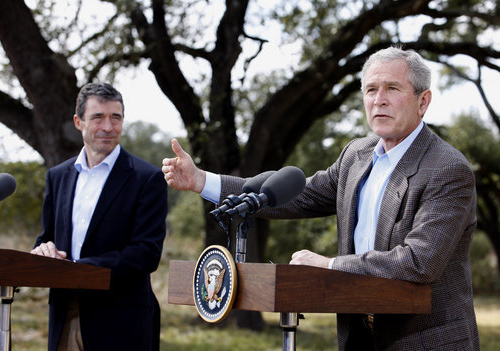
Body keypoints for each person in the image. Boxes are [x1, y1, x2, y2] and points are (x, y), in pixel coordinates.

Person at [162, 47, 480, 350]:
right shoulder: (356, 155)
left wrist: (329, 265)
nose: (379, 100)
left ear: (423, 101)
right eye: (371, 90)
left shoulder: (447, 169)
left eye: (392, 89)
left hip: (423, 342)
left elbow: (418, 262)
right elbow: (293, 196)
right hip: (359, 338)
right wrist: (202, 181)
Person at [31, 82, 167, 351]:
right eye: (98, 117)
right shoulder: (57, 176)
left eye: (115, 117)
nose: (108, 126)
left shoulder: (147, 178)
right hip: (64, 315)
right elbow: (47, 238)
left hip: (121, 322)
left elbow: (146, 254)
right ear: (78, 121)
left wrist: (77, 268)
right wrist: (43, 251)